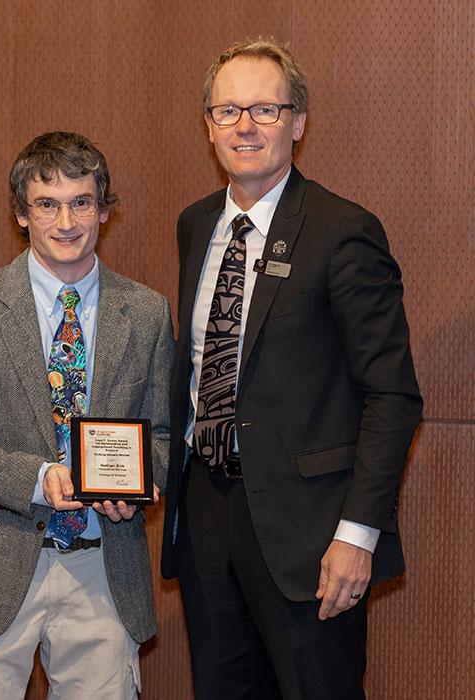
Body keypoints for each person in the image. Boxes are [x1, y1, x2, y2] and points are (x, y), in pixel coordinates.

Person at [160, 38, 423, 699]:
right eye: (227, 110)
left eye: (266, 110)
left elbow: (392, 396)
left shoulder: (342, 231)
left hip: (310, 531)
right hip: (206, 517)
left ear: (299, 122)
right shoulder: (196, 226)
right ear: (208, 125)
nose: (244, 126)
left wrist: (358, 535)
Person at [0, 131, 173, 698]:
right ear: (21, 215)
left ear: (104, 209)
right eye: (46, 204)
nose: (66, 220)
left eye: (81, 202)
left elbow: (166, 436)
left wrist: (138, 482)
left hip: (103, 569)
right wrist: (34, 477)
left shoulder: (147, 312)